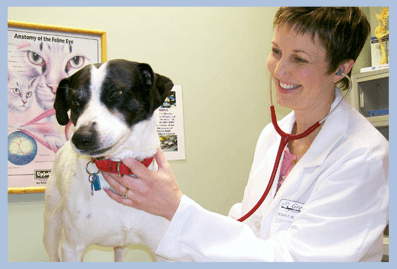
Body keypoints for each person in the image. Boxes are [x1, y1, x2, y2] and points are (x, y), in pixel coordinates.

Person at [102, 7, 389, 262]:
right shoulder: (273, 137)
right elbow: (248, 227)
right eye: (276, 51)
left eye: (299, 59)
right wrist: (169, 211)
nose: (279, 70)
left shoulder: (362, 157)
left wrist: (176, 208)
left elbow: (293, 258)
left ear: (341, 68)